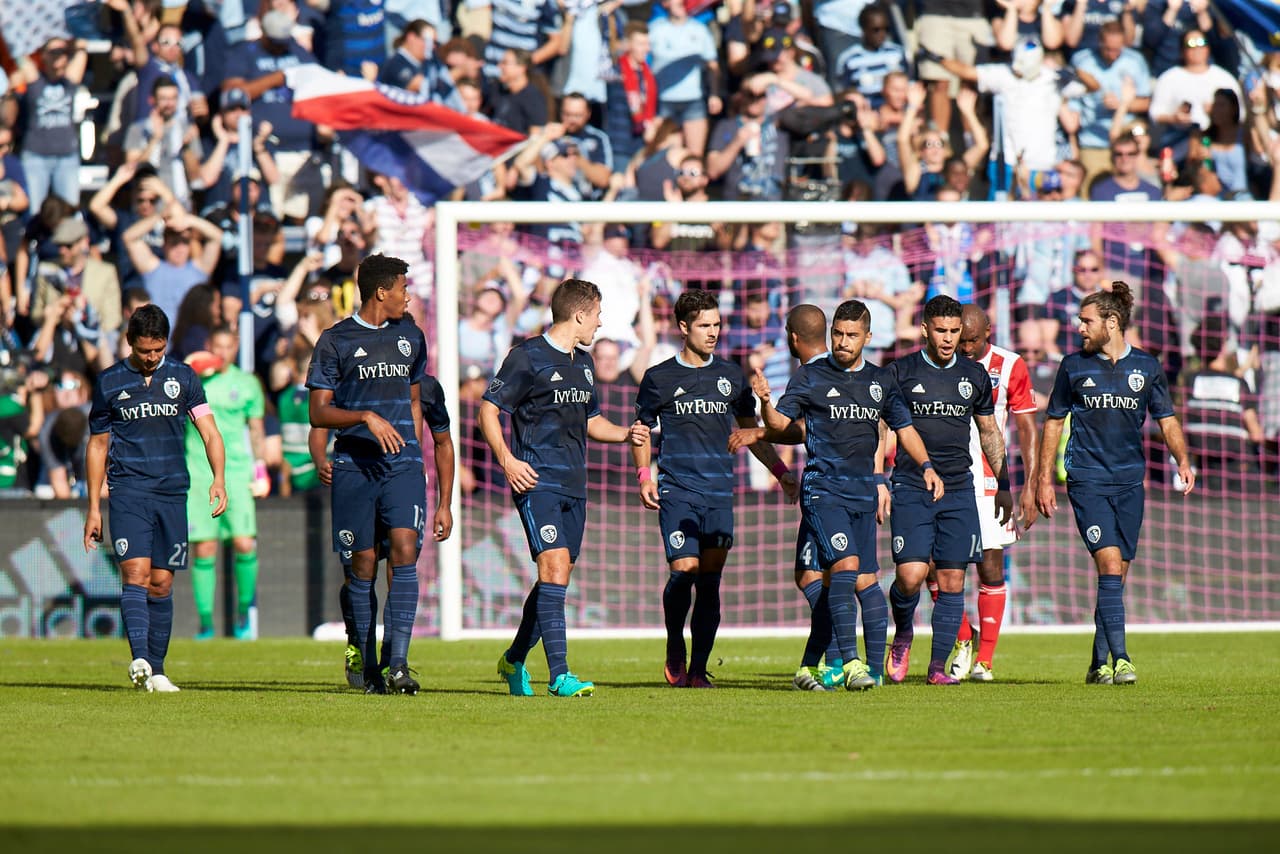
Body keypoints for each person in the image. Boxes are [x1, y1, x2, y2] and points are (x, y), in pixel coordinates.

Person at [755, 299, 941, 691]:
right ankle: (848, 662)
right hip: (824, 490)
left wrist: (926, 466)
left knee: (867, 579)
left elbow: (902, 428)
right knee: (844, 567)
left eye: (851, 335)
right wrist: (765, 403)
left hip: (862, 493)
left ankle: (865, 670)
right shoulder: (810, 377)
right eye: (837, 333)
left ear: (867, 338)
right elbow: (779, 425)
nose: (842, 341)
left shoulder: (880, 380)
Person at [481, 278, 649, 698]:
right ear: (579, 314)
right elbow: (489, 410)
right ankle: (560, 675)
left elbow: (592, 421)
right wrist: (508, 460)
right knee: (553, 568)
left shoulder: (585, 363)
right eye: (597, 314)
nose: (600, 322)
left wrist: (626, 434)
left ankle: (515, 657)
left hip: (576, 484)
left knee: (556, 579)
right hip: (537, 481)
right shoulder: (527, 357)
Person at [1024, 282, 1195, 686]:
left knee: (1117, 576)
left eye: (1087, 321)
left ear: (1112, 322)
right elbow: (1052, 422)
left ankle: (1097, 662)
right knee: (1109, 564)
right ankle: (1121, 659)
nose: (1079, 327)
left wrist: (1182, 459)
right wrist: (1043, 479)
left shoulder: (1147, 368)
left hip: (1130, 483)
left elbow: (1166, 419)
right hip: (1087, 481)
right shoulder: (1073, 366)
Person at [632, 289, 797, 688]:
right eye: (704, 325)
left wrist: (780, 470)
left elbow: (750, 433)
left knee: (709, 581)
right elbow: (641, 433)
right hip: (678, 490)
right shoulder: (658, 378)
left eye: (717, 324)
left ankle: (698, 669)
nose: (712, 332)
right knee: (683, 570)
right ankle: (675, 644)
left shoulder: (731, 377)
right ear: (683, 327)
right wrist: (644, 476)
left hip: (720, 492)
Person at [83, 304, 227, 692]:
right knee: (136, 574)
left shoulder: (184, 377)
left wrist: (219, 479)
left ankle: (158, 671)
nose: (151, 358)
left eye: (158, 350)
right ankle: (141, 661)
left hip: (171, 492)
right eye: (145, 350)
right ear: (130, 342)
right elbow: (97, 446)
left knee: (162, 582)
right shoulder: (110, 383)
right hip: (129, 490)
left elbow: (210, 432)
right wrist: (94, 506)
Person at [306, 254, 428, 695]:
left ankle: (398, 664)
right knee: (361, 564)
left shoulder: (411, 335)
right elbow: (318, 412)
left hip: (402, 466)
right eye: (402, 288)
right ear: (382, 292)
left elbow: (414, 400)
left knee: (404, 548)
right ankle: (366, 656)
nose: (407, 296)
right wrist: (365, 418)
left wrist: (413, 449)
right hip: (354, 465)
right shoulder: (335, 340)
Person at [886, 295, 1011, 685]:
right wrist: (877, 480)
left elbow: (989, 431)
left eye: (954, 331)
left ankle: (937, 668)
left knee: (953, 580)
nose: (948, 338)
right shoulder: (901, 372)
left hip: (959, 488)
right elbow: (880, 430)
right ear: (924, 329)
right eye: (940, 330)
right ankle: (903, 632)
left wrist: (1004, 484)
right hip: (911, 484)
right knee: (910, 576)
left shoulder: (974, 376)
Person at [316, 366, 456, 689]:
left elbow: (444, 442)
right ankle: (358, 643)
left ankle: (396, 662)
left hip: (404, 484)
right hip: (359, 480)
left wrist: (445, 503)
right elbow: (320, 420)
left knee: (401, 563)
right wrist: (319, 459)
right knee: (358, 571)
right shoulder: (356, 379)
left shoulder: (428, 387)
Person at [729, 304, 840, 690]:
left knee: (834, 578)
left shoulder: (811, 374)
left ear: (793, 337)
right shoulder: (845, 368)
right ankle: (845, 658)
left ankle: (841, 659)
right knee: (815, 575)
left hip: (826, 488)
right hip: (847, 486)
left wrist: (761, 422)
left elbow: (795, 429)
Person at [941, 304, 1038, 681]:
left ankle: (985, 660)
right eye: (960, 341)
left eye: (972, 341)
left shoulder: (1010, 365)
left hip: (986, 480)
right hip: (943, 479)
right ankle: (964, 637)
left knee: (990, 566)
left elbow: (1027, 427)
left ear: (988, 333)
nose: (964, 348)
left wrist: (1029, 483)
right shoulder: (939, 363)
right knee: (934, 567)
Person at [185, 327, 269, 640]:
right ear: (208, 346)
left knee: (244, 542)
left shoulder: (246, 383)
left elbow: (256, 428)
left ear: (236, 348)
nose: (222, 353)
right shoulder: (192, 378)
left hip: (236, 471)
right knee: (205, 548)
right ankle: (206, 623)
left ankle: (243, 614)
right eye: (216, 346)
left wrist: (260, 469)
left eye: (228, 347)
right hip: (198, 471)